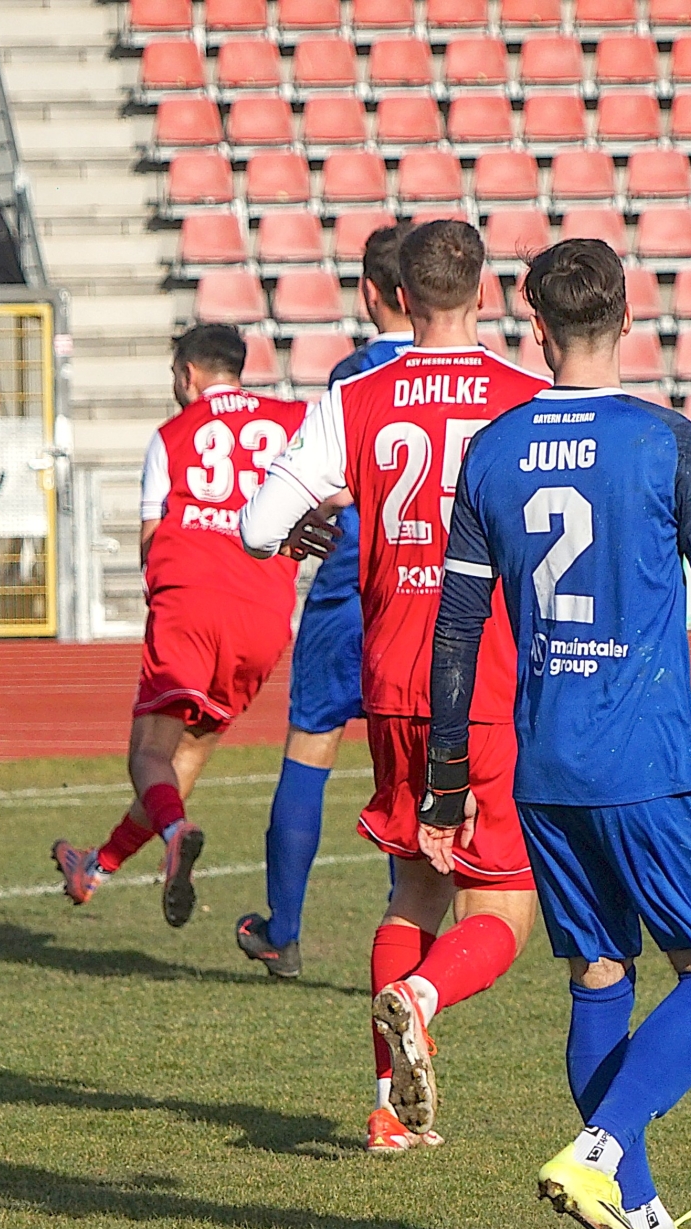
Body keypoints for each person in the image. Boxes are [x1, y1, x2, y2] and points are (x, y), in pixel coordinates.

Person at [421, 239, 691, 1229]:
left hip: (546, 763)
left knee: (599, 975)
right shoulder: (669, 441)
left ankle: (640, 1221)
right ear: (627, 316)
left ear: (534, 324)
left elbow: (457, 632)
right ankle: (603, 1150)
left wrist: (447, 784)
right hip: (649, 758)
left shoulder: (490, 449)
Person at [239, 221, 550, 1153]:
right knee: (501, 906)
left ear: (399, 298)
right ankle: (423, 995)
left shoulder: (358, 392)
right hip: (485, 674)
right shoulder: (526, 395)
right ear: (484, 293)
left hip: (393, 673)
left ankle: (387, 1109)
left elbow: (260, 527)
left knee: (412, 889)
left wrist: (331, 505)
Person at [50, 324, 312, 929]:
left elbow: (149, 539)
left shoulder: (172, 435)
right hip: (265, 614)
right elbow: (327, 503)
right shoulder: (295, 421)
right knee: (187, 752)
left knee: (148, 756)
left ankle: (174, 830)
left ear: (190, 374)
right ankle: (97, 868)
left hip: (192, 601)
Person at [235, 223, 413, 982]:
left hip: (348, 586)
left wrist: (303, 521)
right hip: (432, 599)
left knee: (310, 746)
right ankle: (411, 934)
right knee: (415, 766)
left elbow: (318, 476)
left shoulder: (354, 375)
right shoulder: (477, 377)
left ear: (373, 293)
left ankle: (284, 930)